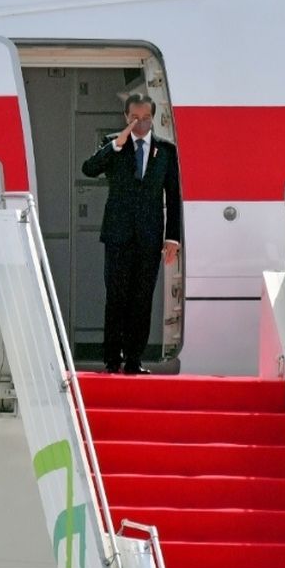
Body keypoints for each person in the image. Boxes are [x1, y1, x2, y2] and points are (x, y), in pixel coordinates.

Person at [81, 93, 182, 374]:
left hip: (150, 237)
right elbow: (89, 169)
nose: (141, 124)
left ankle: (135, 360)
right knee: (116, 297)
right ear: (126, 117)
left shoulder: (166, 150)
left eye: (146, 118)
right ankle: (112, 359)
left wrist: (173, 238)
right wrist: (115, 144)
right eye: (135, 118)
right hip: (117, 235)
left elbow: (173, 197)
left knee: (142, 298)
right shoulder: (113, 145)